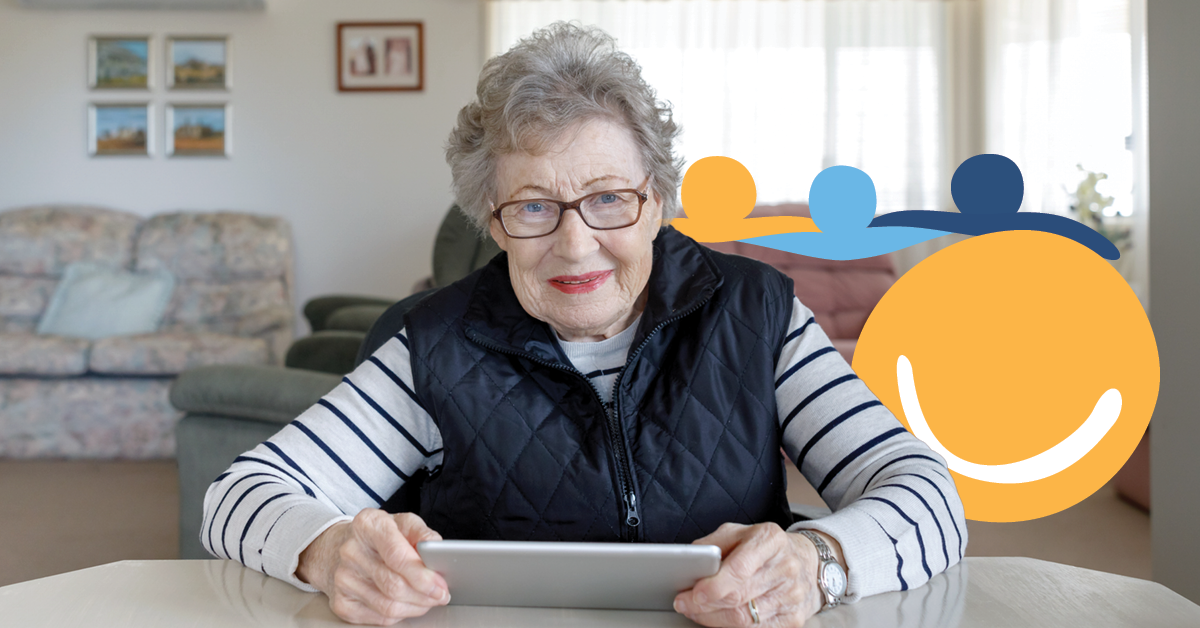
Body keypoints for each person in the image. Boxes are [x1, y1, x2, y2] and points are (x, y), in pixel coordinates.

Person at [203, 23, 966, 627]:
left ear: (657, 200)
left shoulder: (758, 314)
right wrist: (328, 549)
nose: (575, 244)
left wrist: (818, 563)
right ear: (493, 224)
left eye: (607, 198)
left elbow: (929, 495)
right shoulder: (430, 346)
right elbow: (236, 497)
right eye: (533, 207)